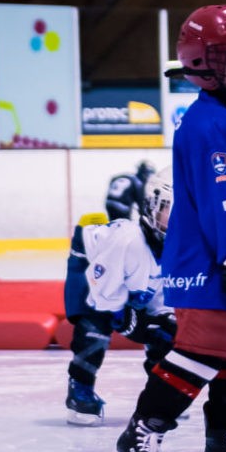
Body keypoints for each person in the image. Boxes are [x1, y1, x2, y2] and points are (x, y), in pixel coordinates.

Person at [107, 4, 226, 452]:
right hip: (208, 262)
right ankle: (141, 433)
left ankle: (225, 442)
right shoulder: (210, 124)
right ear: (205, 64)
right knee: (203, 351)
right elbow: (220, 196)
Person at [63, 169, 176, 424]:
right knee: (94, 324)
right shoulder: (128, 241)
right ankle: (79, 390)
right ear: (151, 206)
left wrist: (164, 321)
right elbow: (103, 296)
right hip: (89, 263)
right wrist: (128, 320)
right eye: (170, 208)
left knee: (168, 331)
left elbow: (162, 299)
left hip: (125, 275)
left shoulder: (182, 249)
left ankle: (160, 394)